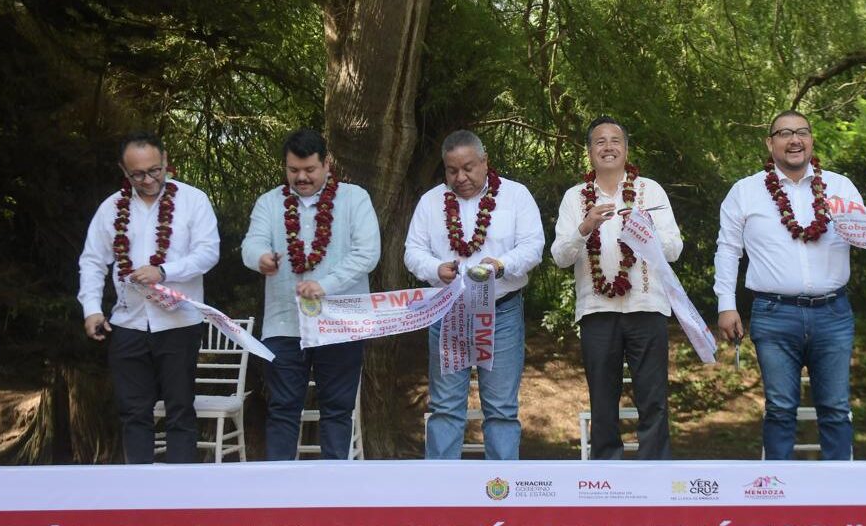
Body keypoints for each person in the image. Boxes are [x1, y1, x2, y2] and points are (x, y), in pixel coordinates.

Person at [713, 110, 864, 460]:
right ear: (770, 143)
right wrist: (726, 304)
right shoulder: (745, 192)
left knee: (837, 409)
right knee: (780, 409)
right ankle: (778, 502)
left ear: (811, 139)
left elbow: (865, 236)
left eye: (802, 132)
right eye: (784, 133)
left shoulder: (840, 188)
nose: (794, 140)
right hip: (774, 313)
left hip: (833, 313)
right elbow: (728, 250)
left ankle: (840, 502)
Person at [78, 131, 220, 464]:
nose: (148, 179)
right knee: (133, 412)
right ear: (123, 171)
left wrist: (164, 271)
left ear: (166, 161)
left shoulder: (192, 200)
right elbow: (93, 260)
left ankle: (181, 502)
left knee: (180, 411)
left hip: (179, 321)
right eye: (137, 174)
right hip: (127, 322)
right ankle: (138, 497)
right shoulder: (111, 208)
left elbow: (209, 253)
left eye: (155, 170)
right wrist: (91, 310)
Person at [241, 128, 380, 460]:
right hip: (284, 323)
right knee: (283, 408)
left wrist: (325, 284)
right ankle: (281, 494)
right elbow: (251, 243)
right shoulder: (270, 202)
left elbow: (367, 253)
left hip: (340, 322)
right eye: (293, 170)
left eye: (309, 170)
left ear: (326, 164)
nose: (300, 177)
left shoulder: (354, 198)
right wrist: (260, 257)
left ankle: (331, 494)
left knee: (336, 408)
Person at [404, 130, 544, 459]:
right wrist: (435, 268)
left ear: (485, 162)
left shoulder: (515, 195)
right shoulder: (431, 202)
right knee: (445, 407)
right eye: (452, 170)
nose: (461, 177)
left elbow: (533, 246)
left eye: (468, 167)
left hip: (501, 312)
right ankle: (442, 494)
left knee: (501, 409)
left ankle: (502, 491)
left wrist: (503, 264)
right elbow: (412, 251)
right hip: (448, 312)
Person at [552, 116, 682, 459]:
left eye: (615, 141)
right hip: (597, 311)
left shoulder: (649, 191)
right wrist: (585, 226)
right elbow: (560, 257)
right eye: (599, 141)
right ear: (589, 151)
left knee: (653, 398)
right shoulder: (574, 197)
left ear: (625, 148)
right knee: (602, 400)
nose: (608, 147)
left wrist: (645, 226)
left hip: (647, 306)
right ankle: (607, 479)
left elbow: (674, 249)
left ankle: (655, 474)